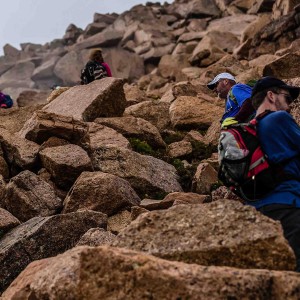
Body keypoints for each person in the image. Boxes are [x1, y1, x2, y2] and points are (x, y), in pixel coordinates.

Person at [250, 76, 300, 271]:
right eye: (287, 98)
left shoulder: (251, 126)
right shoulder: (279, 118)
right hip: (289, 203)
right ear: (271, 95)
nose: (289, 106)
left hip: (259, 208)